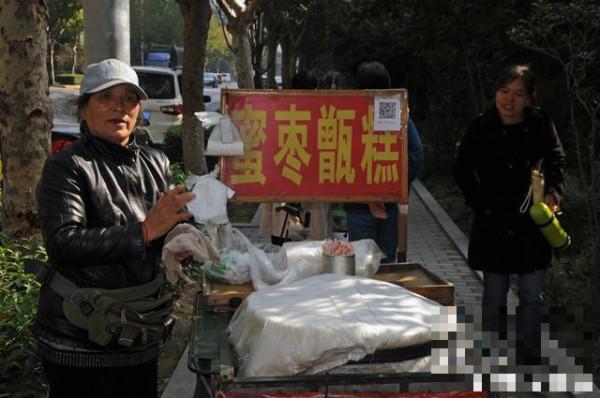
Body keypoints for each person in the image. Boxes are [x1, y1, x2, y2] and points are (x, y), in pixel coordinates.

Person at [35, 58, 196, 398]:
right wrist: (144, 231)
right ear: (83, 109)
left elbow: (164, 229)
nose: (119, 108)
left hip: (139, 329)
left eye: (129, 98)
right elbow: (63, 243)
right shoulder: (66, 166)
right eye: (105, 97)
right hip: (79, 335)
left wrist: (183, 236)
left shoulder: (156, 162)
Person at [454, 64, 565, 365]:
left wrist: (553, 194)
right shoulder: (481, 125)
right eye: (504, 92)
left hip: (531, 222)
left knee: (532, 294)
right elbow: (462, 170)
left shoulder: (541, 124)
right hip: (494, 222)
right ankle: (492, 353)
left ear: (529, 97)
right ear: (495, 93)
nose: (509, 100)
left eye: (518, 94)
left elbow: (556, 161)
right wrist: (480, 203)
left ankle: (529, 353)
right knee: (494, 294)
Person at [345, 61, 424, 263]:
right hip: (389, 204)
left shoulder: (346, 114)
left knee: (360, 265)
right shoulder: (395, 111)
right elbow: (415, 151)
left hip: (358, 205)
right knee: (386, 266)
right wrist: (397, 185)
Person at [259, 70, 331, 244]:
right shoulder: (283, 114)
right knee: (285, 239)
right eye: (313, 90)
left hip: (308, 190)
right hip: (286, 190)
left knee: (306, 242)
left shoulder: (318, 115)